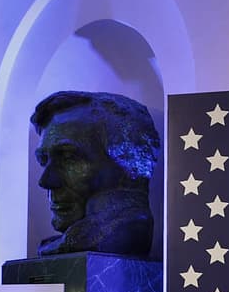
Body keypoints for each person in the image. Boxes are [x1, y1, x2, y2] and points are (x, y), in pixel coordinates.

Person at [30, 91, 158, 256]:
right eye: (43, 160)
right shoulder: (66, 242)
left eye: (69, 158)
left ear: (129, 161)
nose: (46, 181)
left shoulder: (120, 235)